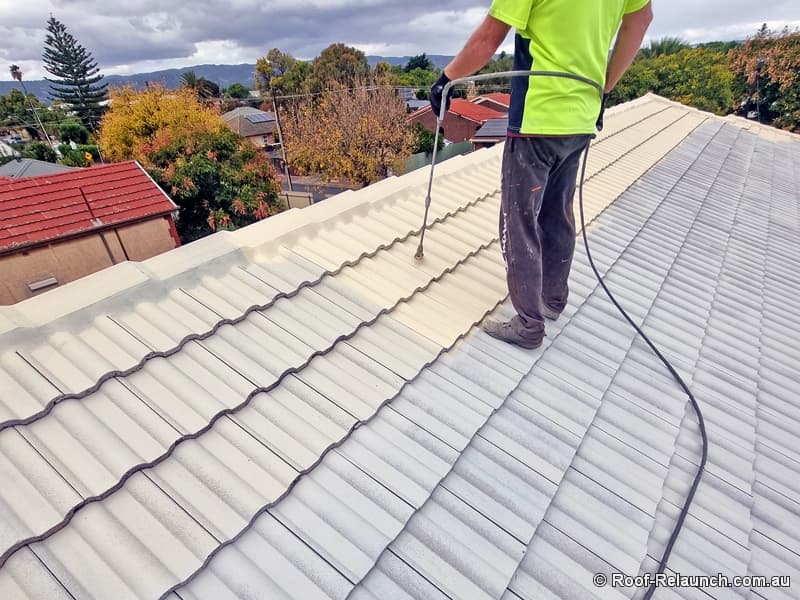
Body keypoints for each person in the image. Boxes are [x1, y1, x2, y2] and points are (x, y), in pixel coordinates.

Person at [430, 0, 653, 349]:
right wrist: (605, 84)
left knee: (519, 220)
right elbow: (641, 20)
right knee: (558, 211)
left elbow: (488, 41)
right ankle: (552, 299)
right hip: (581, 116)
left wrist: (446, 79)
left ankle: (529, 325)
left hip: (538, 116)